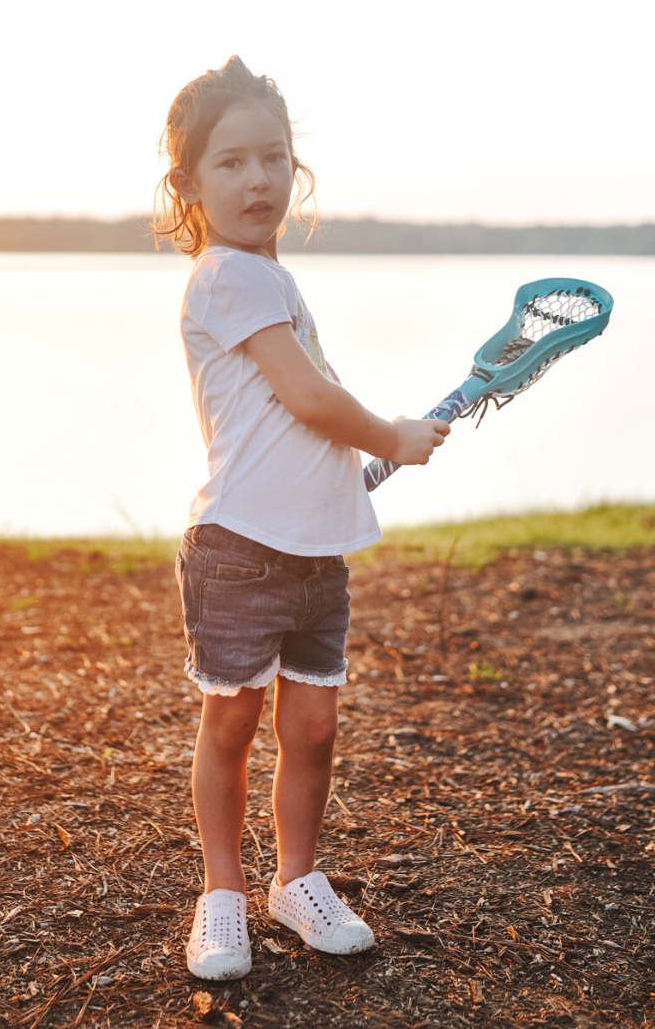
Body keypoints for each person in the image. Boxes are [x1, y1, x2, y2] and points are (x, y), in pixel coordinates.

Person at [152, 58, 449, 980]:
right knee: (232, 727)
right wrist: (391, 435)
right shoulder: (228, 278)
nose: (258, 181)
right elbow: (312, 399)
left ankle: (298, 882)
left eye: (273, 159)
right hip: (239, 552)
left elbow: (294, 421)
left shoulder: (269, 279)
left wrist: (351, 468)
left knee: (312, 729)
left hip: (317, 556)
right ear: (190, 185)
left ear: (295, 170)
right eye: (232, 163)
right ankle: (225, 896)